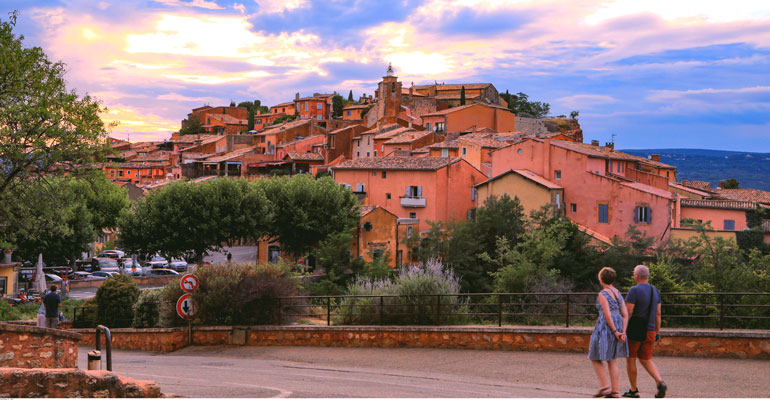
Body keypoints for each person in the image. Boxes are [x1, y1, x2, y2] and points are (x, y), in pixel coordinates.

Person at [623, 265, 667, 398]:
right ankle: (660, 382)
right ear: (647, 276)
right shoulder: (655, 290)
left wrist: (622, 330)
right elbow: (658, 314)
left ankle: (633, 390)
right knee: (646, 359)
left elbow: (628, 312)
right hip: (651, 330)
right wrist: (657, 332)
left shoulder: (634, 290)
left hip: (635, 330)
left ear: (636, 276)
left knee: (631, 359)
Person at [588, 267, 629, 398]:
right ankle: (615, 391)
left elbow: (607, 315)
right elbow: (625, 314)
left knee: (594, 356)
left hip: (606, 328)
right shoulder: (618, 292)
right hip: (618, 325)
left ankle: (605, 387)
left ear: (601, 279)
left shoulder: (603, 294)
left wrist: (616, 331)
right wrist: (623, 331)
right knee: (612, 359)